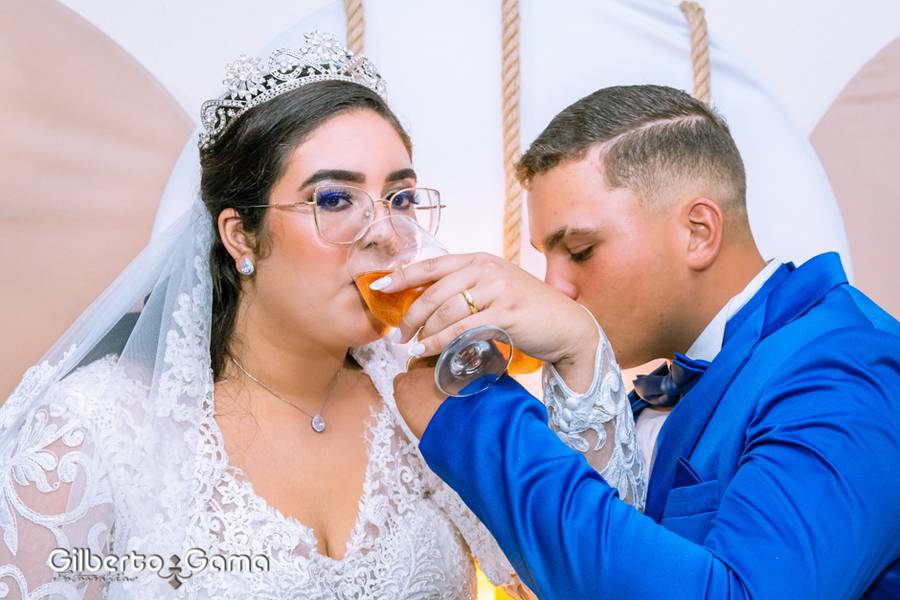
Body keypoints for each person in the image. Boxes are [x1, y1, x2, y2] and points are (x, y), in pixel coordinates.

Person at [0, 32, 645, 599]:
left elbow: (595, 577)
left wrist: (577, 348)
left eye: (400, 197)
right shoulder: (92, 434)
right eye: (334, 198)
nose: (384, 232)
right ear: (241, 236)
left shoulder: (434, 402)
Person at [384, 84, 900, 599]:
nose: (554, 287)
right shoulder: (687, 376)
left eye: (580, 250)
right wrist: (581, 352)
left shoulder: (846, 368)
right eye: (546, 256)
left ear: (698, 231)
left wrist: (474, 411)